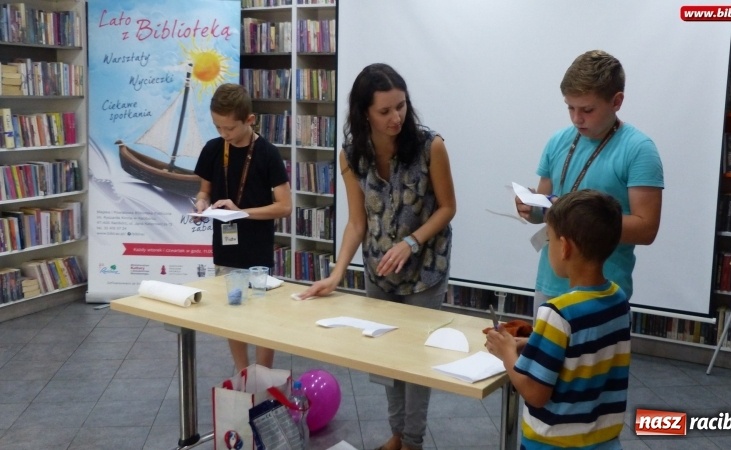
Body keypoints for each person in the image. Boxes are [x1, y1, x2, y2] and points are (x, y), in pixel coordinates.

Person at [297, 63, 456, 450]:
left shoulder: (429, 146)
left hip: (425, 271)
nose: (396, 117)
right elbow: (356, 223)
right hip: (378, 271)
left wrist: (411, 243)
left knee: (416, 362)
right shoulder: (352, 154)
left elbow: (448, 208)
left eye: (401, 106)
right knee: (387, 361)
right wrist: (337, 274)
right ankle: (397, 434)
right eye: (384, 111)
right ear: (364, 112)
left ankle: (413, 442)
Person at [516, 50, 664, 311]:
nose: (576, 118)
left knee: (595, 354)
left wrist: (576, 216)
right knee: (543, 352)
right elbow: (545, 212)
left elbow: (646, 229)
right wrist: (532, 208)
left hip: (603, 290)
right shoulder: (557, 141)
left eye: (587, 109)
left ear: (616, 101)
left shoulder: (639, 149)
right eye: (570, 107)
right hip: (550, 282)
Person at [487, 189, 629, 450]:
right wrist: (528, 344)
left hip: (552, 444)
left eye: (549, 239)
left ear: (564, 247)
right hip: (604, 442)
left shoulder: (557, 312)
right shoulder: (618, 299)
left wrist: (507, 351)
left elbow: (534, 393)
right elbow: (580, 355)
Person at [193, 83, 292, 371]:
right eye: (217, 127)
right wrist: (201, 205)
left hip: (257, 249)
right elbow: (204, 192)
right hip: (225, 248)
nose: (224, 134)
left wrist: (242, 213)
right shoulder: (213, 149)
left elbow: (284, 206)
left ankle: (262, 373)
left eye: (230, 128)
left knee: (262, 315)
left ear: (249, 120)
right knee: (232, 312)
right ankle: (243, 372)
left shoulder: (268, 153)